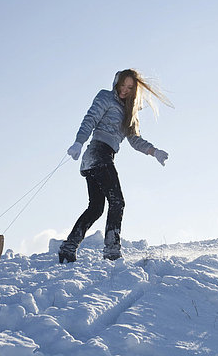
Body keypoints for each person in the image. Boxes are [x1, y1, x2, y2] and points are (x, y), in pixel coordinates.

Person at [59, 69, 172, 263]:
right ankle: (112, 251)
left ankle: (69, 247)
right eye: (123, 85)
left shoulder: (130, 113)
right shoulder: (105, 97)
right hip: (98, 152)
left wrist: (154, 152)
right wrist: (79, 141)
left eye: (130, 88)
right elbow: (91, 118)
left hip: (100, 157)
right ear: (116, 82)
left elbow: (135, 140)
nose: (125, 90)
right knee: (117, 201)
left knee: (96, 207)